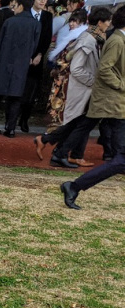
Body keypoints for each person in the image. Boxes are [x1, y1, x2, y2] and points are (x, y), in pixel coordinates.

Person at [60, 5, 125, 210]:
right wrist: (121, 85)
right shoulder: (115, 40)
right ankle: (73, 184)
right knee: (120, 159)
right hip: (113, 102)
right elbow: (104, 69)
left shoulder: (116, 39)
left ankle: (73, 183)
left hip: (114, 103)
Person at [36, 6, 112, 168]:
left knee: (79, 122)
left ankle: (50, 143)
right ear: (100, 22)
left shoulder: (92, 38)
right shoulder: (89, 39)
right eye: (107, 21)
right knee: (81, 122)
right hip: (82, 88)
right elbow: (76, 68)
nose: (109, 24)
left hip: (84, 88)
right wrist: (93, 81)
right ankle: (59, 151)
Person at [0, 0, 39, 137]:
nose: (13, 8)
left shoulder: (9, 22)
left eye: (14, 5)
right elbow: (34, 46)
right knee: (15, 98)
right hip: (21, 65)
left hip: (3, 62)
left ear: (20, 5)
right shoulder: (35, 24)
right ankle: (10, 129)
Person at [18, 0, 52, 133]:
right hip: (22, 59)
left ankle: (24, 120)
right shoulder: (24, 14)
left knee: (31, 92)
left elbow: (47, 38)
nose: (42, 1)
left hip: (37, 60)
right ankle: (14, 118)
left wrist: (40, 54)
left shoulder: (48, 16)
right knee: (19, 89)